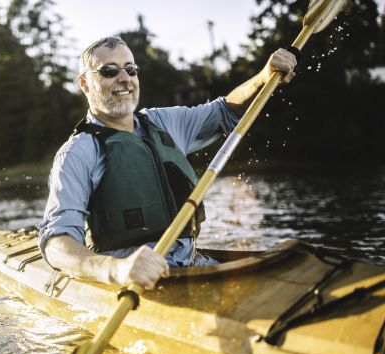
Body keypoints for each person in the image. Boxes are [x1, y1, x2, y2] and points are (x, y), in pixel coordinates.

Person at [37, 36, 297, 291]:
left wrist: (264, 76)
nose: (124, 78)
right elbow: (56, 243)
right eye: (109, 71)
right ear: (85, 83)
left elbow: (225, 111)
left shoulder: (163, 123)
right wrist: (117, 269)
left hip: (190, 265)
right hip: (131, 282)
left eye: (130, 69)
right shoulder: (77, 153)